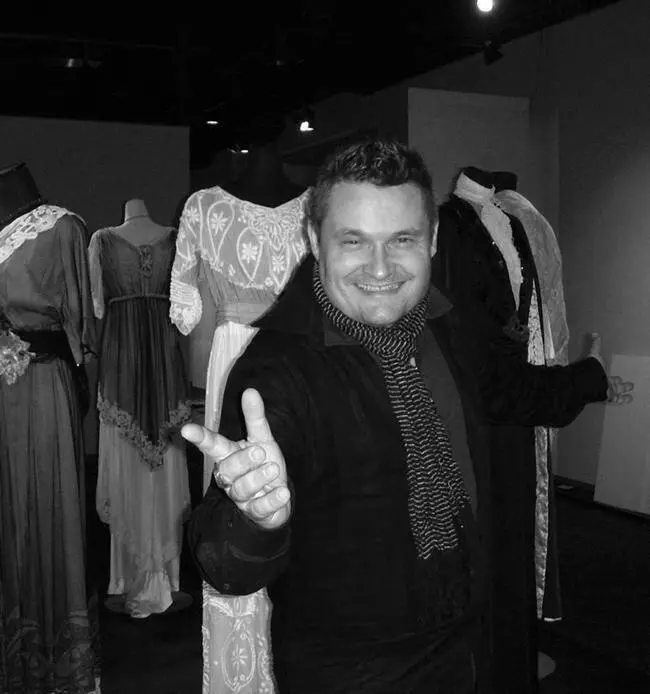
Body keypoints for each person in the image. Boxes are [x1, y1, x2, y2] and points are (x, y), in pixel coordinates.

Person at [182, 138, 631, 694]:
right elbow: (226, 565)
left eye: (402, 240)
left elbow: (511, 391)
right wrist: (255, 520)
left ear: (433, 240)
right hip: (354, 672)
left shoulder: (445, 324)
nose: (380, 268)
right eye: (353, 241)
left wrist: (589, 378)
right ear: (314, 242)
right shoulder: (275, 369)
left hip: (472, 642)